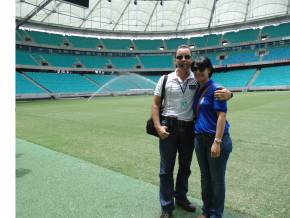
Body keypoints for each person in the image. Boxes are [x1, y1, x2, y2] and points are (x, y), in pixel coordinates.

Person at [151, 45, 233, 218]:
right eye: (179, 57)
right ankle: (166, 206)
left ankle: (181, 197)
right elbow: (156, 104)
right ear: (175, 59)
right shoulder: (165, 79)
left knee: (185, 167)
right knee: (166, 170)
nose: (183, 60)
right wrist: (158, 127)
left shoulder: (197, 79)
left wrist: (229, 93)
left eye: (187, 57)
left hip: (189, 129)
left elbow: (215, 88)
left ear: (191, 58)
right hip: (169, 127)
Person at [192, 56, 233, 218]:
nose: (197, 72)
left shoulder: (216, 89)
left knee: (216, 180)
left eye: (201, 68)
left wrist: (217, 141)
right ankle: (206, 210)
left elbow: (221, 116)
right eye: (194, 69)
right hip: (200, 139)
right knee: (205, 177)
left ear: (209, 69)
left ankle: (216, 214)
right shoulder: (197, 88)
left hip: (215, 139)